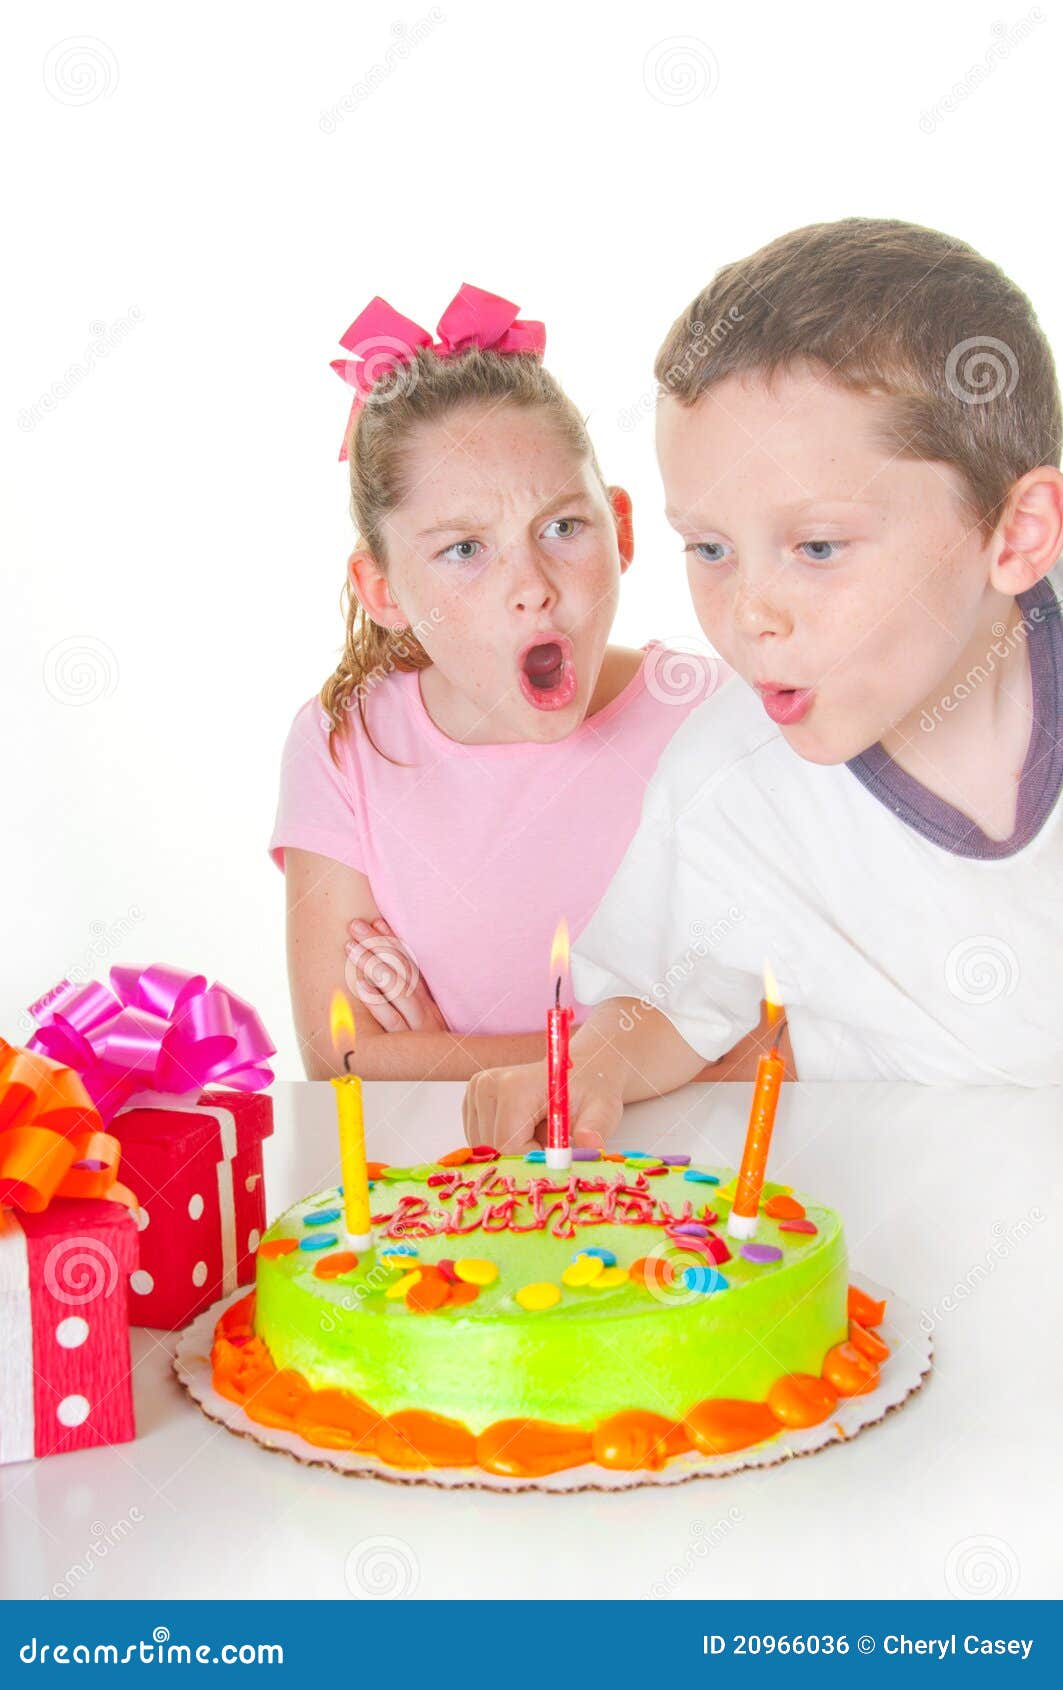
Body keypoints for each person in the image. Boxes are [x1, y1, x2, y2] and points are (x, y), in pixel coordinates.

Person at [463, 219, 1063, 1149]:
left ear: (1016, 533)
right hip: (917, 1222)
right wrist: (593, 1067)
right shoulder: (728, 783)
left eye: (817, 547)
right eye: (708, 549)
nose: (748, 614)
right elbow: (666, 999)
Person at [271, 283, 769, 1083]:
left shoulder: (717, 717)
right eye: (465, 549)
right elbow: (345, 1058)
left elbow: (772, 1049)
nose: (532, 585)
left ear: (623, 529)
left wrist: (448, 1056)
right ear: (384, 590)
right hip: (451, 1189)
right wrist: (647, 1063)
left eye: (562, 528)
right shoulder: (343, 743)